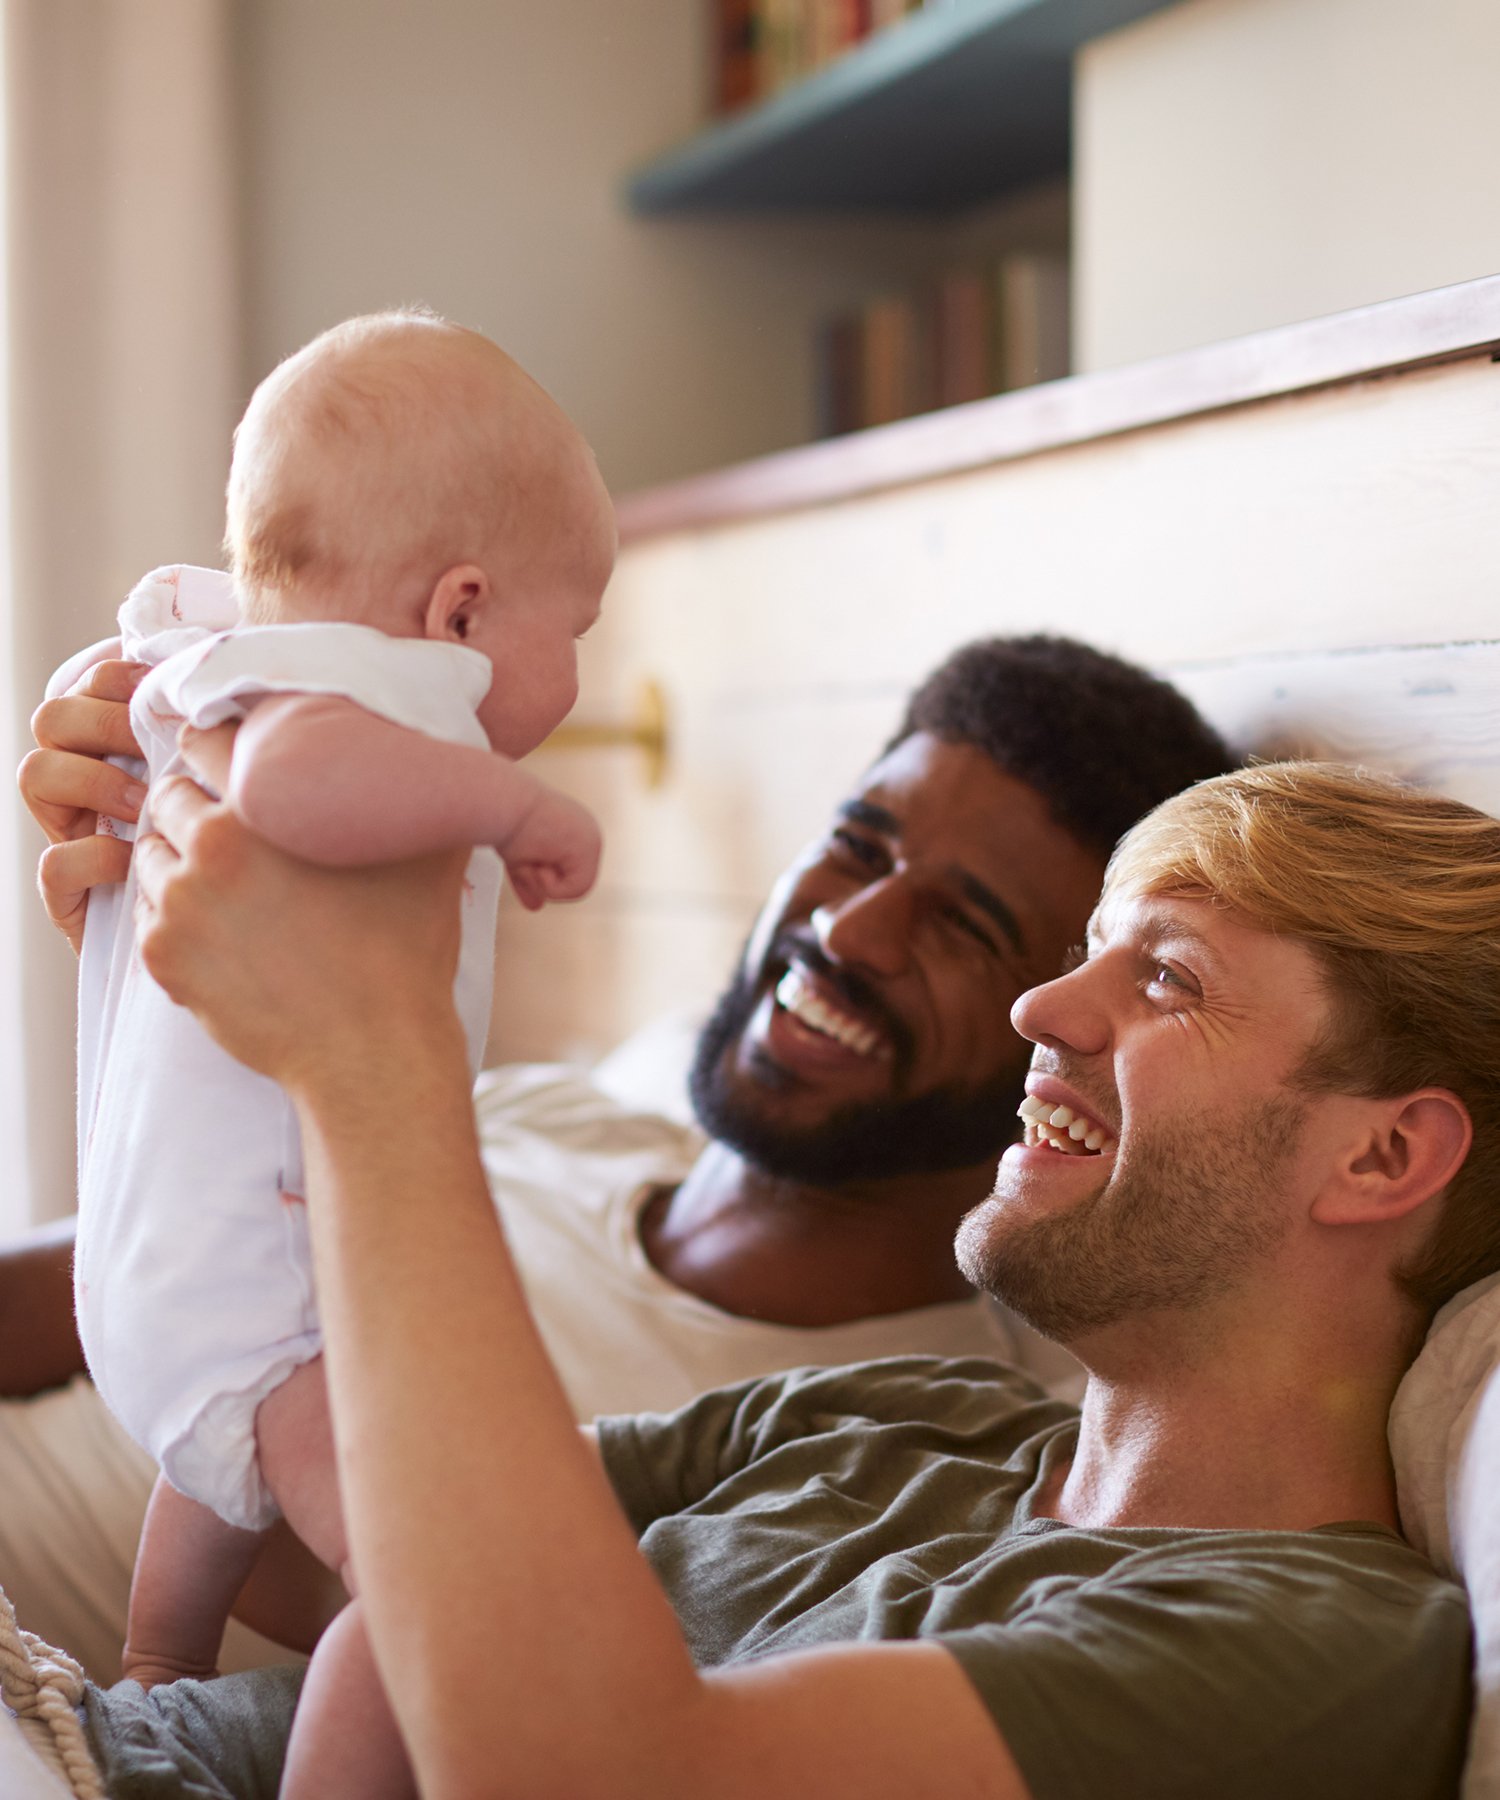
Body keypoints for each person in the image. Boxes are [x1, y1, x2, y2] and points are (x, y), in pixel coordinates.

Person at [81, 754, 1487, 1799]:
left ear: (1383, 1157)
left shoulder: (1312, 1651)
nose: (1042, 1009)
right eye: (1085, 956)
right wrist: (177, 909)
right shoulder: (910, 1417)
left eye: (1169, 979)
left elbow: (590, 1779)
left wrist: (372, 1072)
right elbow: (345, 1544)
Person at [9, 635, 1229, 1674]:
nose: (850, 930)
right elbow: (75, 1288)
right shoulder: (558, 1117)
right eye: (859, 845)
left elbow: (426, 1658)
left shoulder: (897, 1448)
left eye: (965, 924)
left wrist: (330, 1038)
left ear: (1063, 1031)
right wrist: (159, 1008)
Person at [74, 309, 614, 1800]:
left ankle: (155, 1676)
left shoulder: (223, 657)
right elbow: (303, 779)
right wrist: (512, 808)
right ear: (460, 613)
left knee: (234, 1455)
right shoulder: (369, 695)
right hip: (255, 1278)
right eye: (576, 633)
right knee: (423, 1584)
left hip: (181, 1283)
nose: (575, 680)